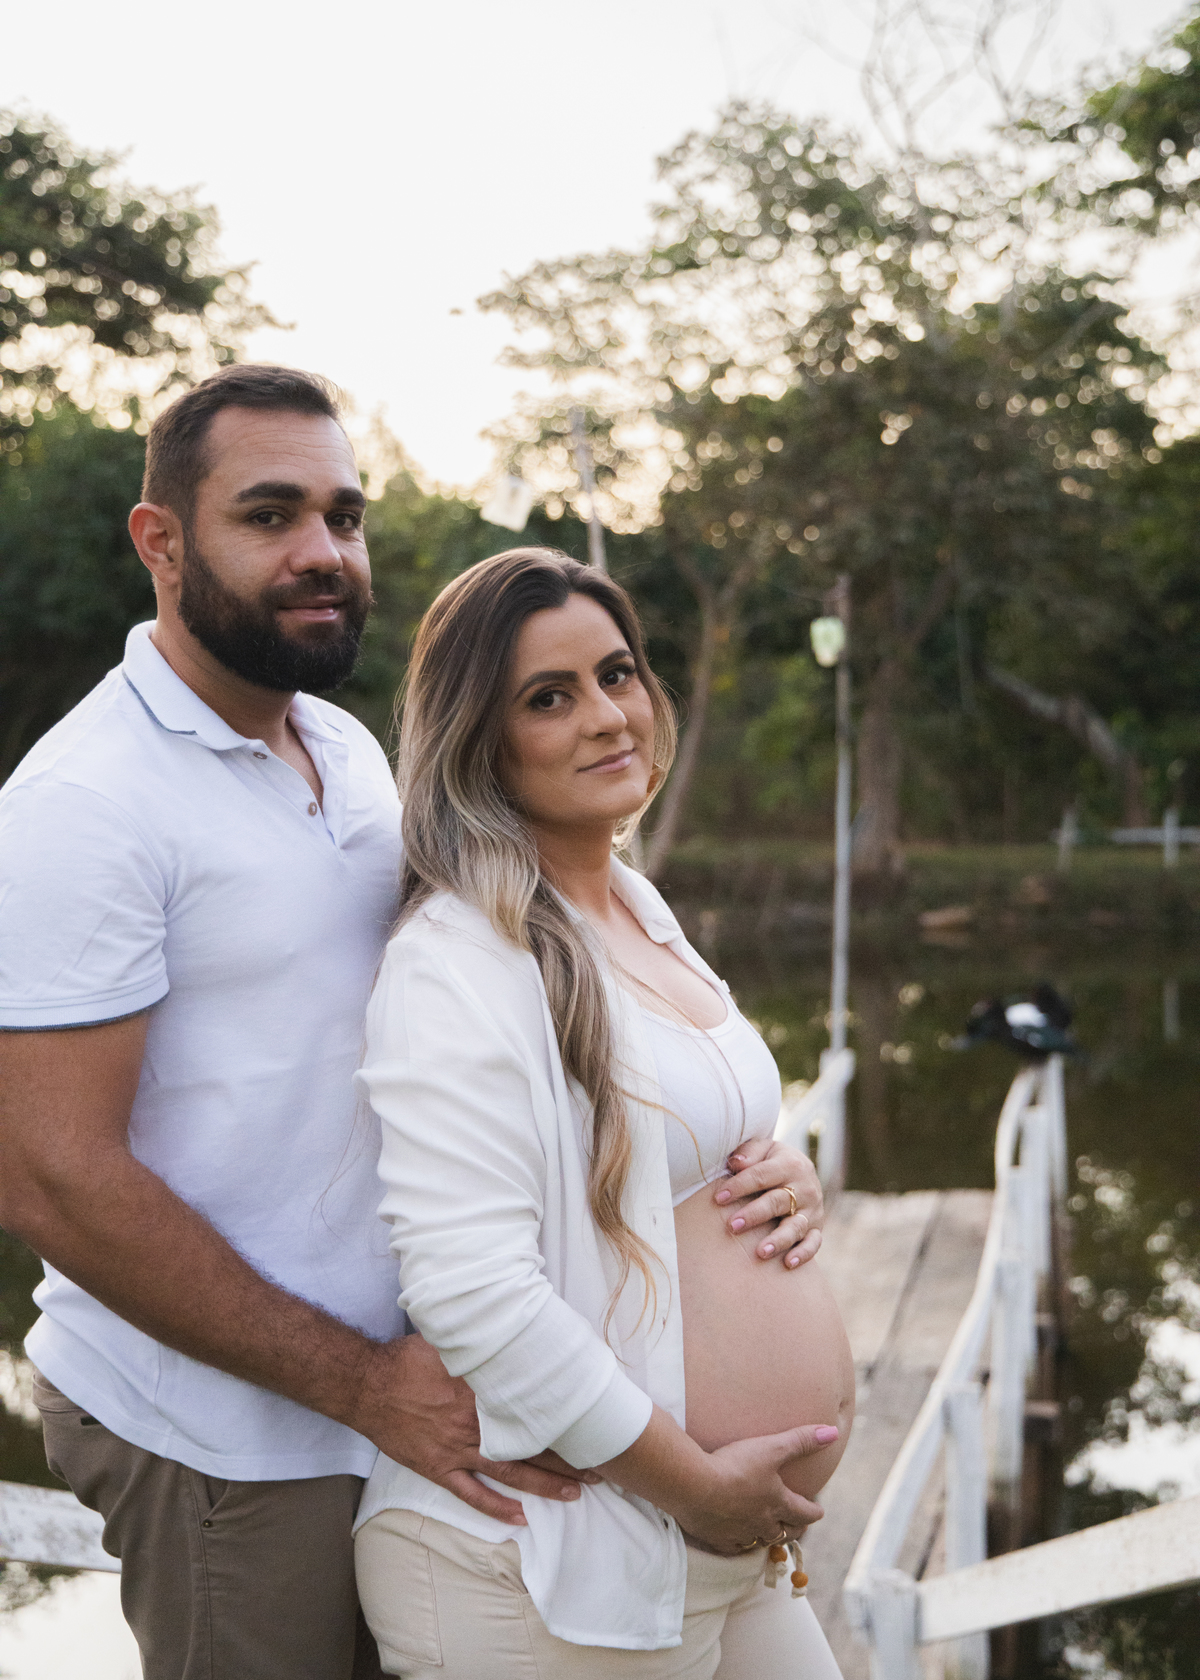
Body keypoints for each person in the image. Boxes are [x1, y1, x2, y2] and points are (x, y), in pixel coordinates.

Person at [0, 367, 826, 1680]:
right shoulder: (87, 805)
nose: (323, 551)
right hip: (227, 1432)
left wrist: (750, 1168)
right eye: (269, 515)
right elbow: (51, 1176)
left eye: (344, 515)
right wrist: (364, 1384)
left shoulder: (343, 754)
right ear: (161, 541)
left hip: (420, 1394)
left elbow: (496, 1060)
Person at [353, 549, 855, 1678]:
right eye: (549, 697)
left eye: (616, 675)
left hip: (721, 1549)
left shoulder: (631, 902)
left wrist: (789, 1176)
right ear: (480, 741)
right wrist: (698, 1486)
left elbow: (675, 1144)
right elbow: (471, 1290)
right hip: (550, 1569)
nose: (604, 715)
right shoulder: (455, 961)